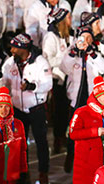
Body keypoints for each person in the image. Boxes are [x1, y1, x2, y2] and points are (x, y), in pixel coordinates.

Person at [0, 33, 52, 184]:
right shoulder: (10, 63)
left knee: (41, 143)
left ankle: (43, 174)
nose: (12, 50)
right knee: (20, 144)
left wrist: (31, 86)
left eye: (14, 47)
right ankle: (23, 174)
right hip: (18, 109)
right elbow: (2, 87)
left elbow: (48, 84)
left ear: (23, 48)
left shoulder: (40, 62)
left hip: (36, 108)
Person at [60, 26, 104, 172]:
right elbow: (64, 68)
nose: (86, 41)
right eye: (83, 38)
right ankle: (71, 156)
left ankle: (94, 158)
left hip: (92, 99)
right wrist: (74, 53)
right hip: (75, 98)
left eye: (89, 38)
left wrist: (92, 54)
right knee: (73, 129)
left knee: (93, 130)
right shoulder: (72, 51)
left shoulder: (96, 52)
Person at [41, 8, 73, 154]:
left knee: (67, 109)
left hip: (69, 77)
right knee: (59, 110)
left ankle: (66, 135)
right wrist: (66, 59)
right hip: (57, 78)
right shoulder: (51, 37)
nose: (70, 20)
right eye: (68, 18)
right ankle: (58, 138)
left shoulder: (68, 36)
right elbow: (48, 59)